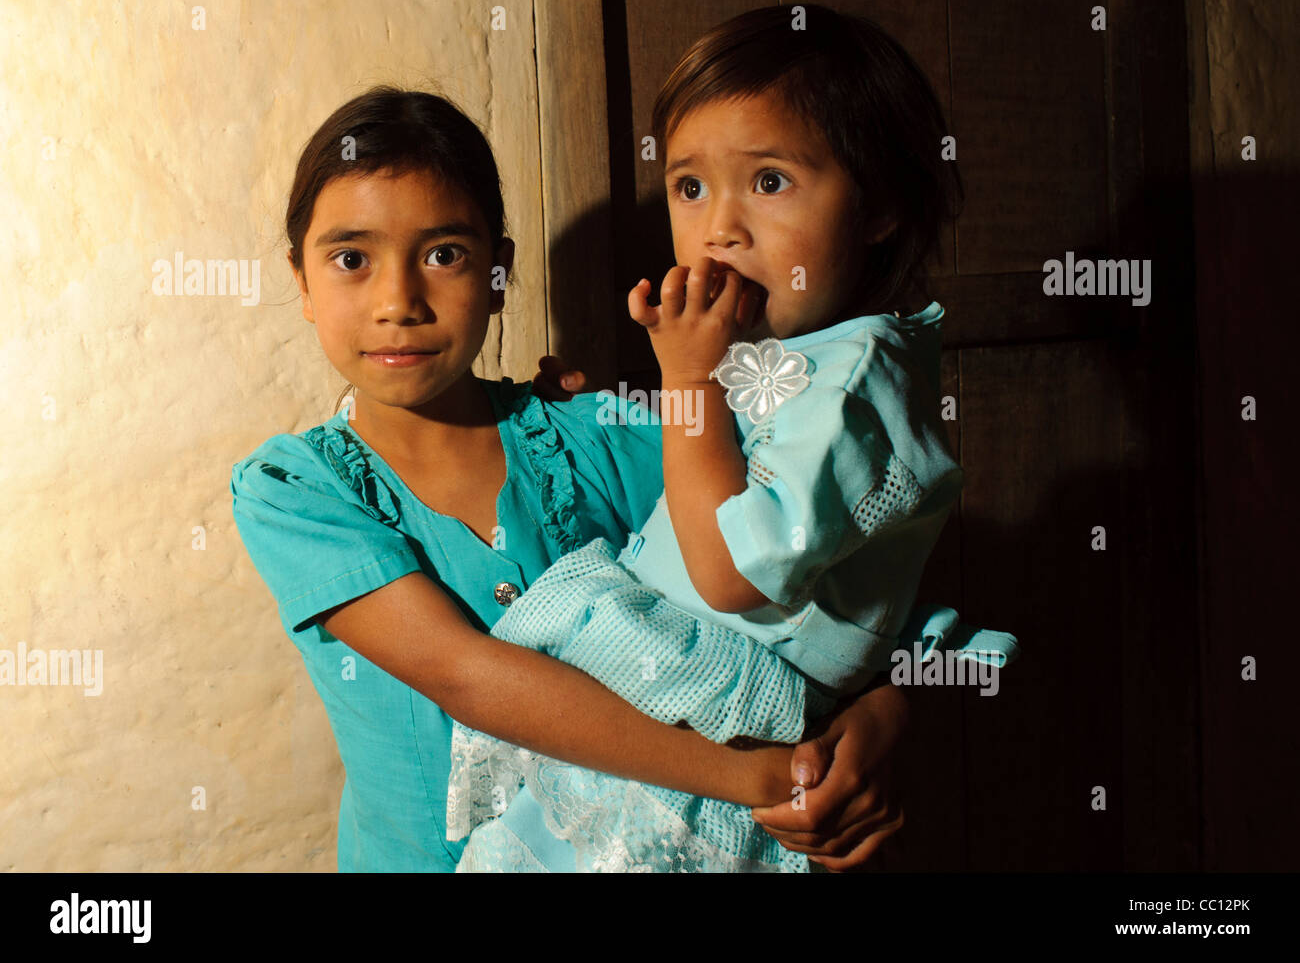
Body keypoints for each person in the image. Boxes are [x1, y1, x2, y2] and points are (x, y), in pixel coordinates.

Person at [230, 84, 915, 873]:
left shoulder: (601, 434)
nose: (398, 301)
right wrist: (755, 775)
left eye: (445, 254)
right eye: (351, 259)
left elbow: (847, 590)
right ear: (301, 281)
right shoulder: (295, 490)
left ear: (498, 271)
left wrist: (876, 726)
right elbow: (468, 674)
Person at [444, 4, 1021, 872]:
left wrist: (687, 380)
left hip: (711, 729)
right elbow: (718, 470)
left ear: (880, 207)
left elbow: (727, 571)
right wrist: (618, 400)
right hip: (672, 721)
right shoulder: (797, 356)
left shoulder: (854, 381)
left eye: (771, 181)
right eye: (690, 187)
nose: (720, 227)